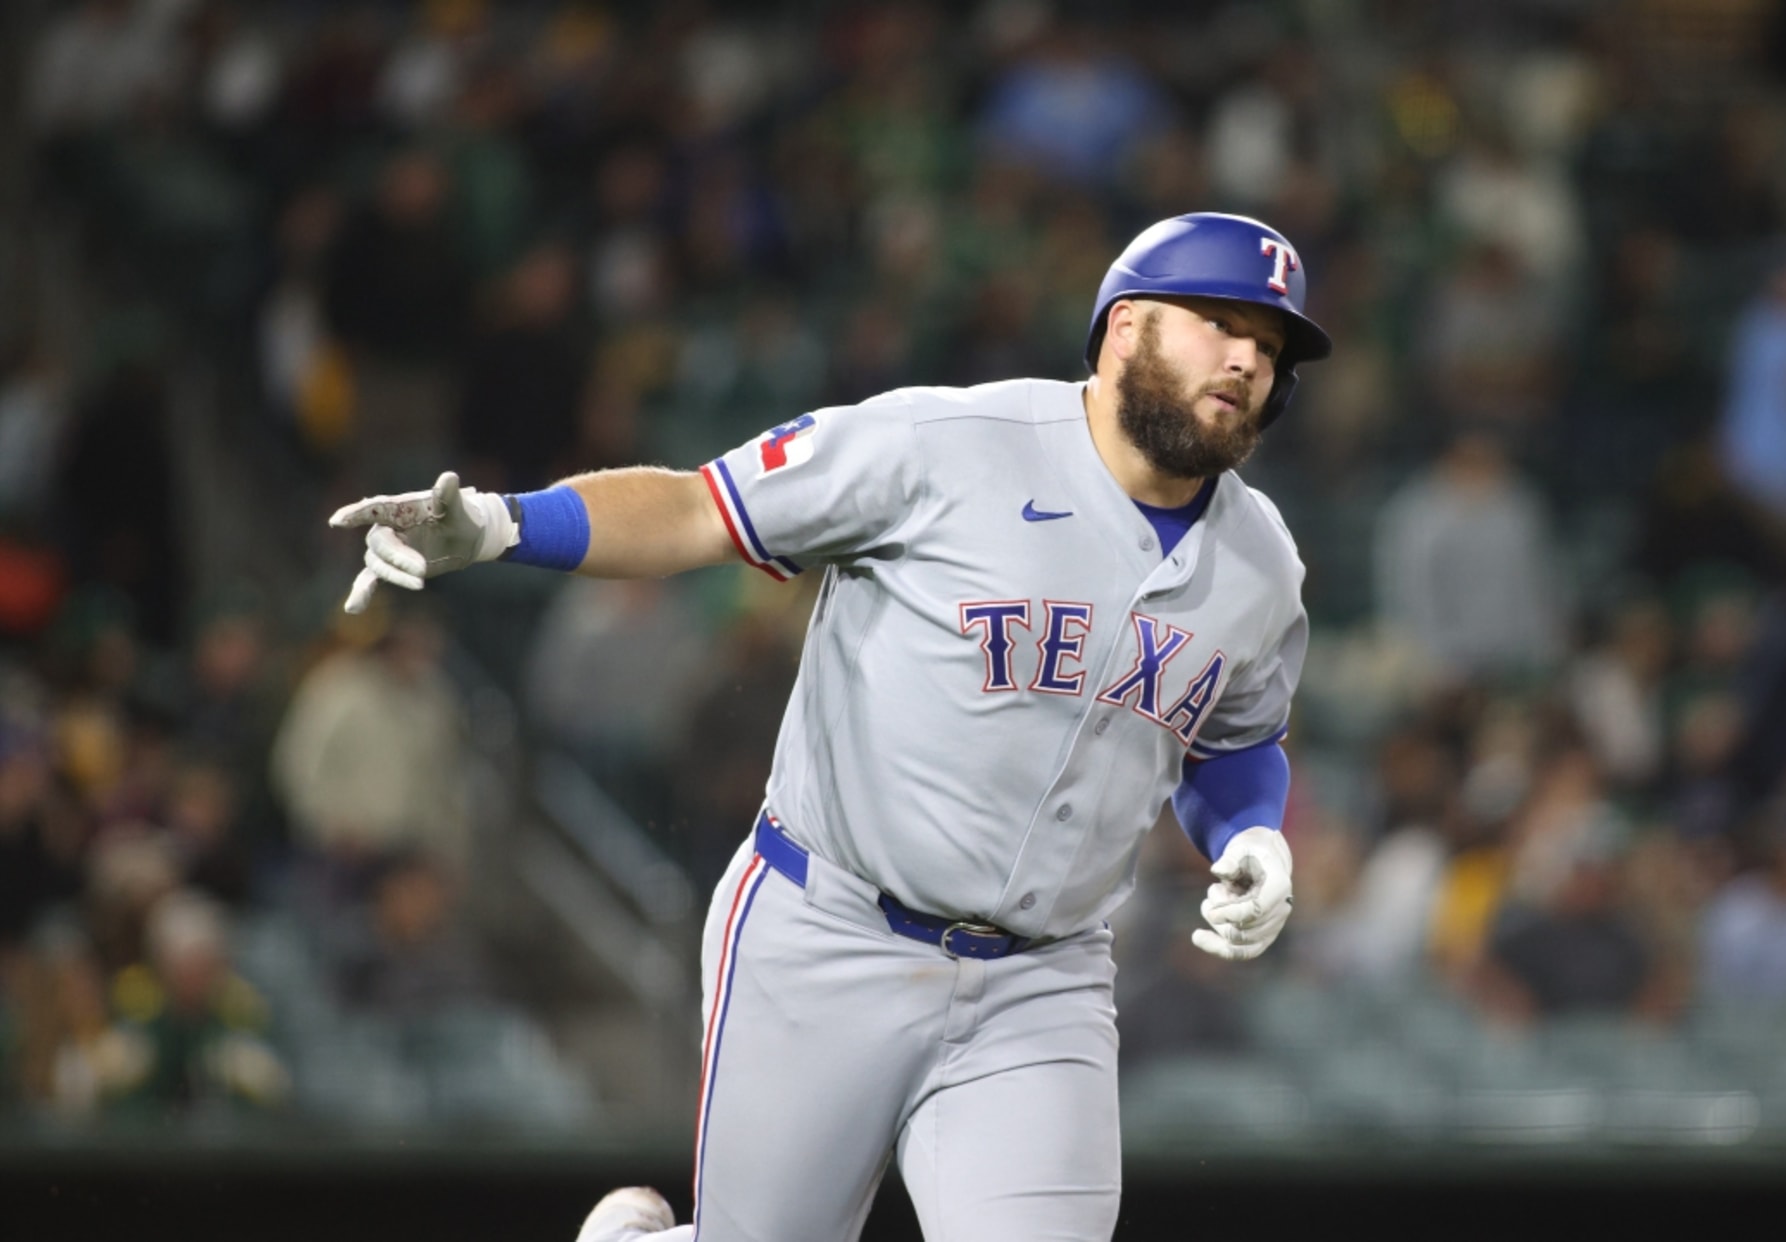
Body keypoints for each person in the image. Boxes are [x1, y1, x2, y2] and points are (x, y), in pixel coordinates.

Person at [327, 213, 1328, 1242]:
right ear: (1125, 328)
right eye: (1219, 323)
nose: (1249, 357)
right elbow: (694, 510)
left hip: (1045, 978)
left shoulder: (1261, 565)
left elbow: (1234, 735)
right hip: (830, 934)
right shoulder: (940, 445)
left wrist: (1250, 830)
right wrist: (502, 524)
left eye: (1272, 345)